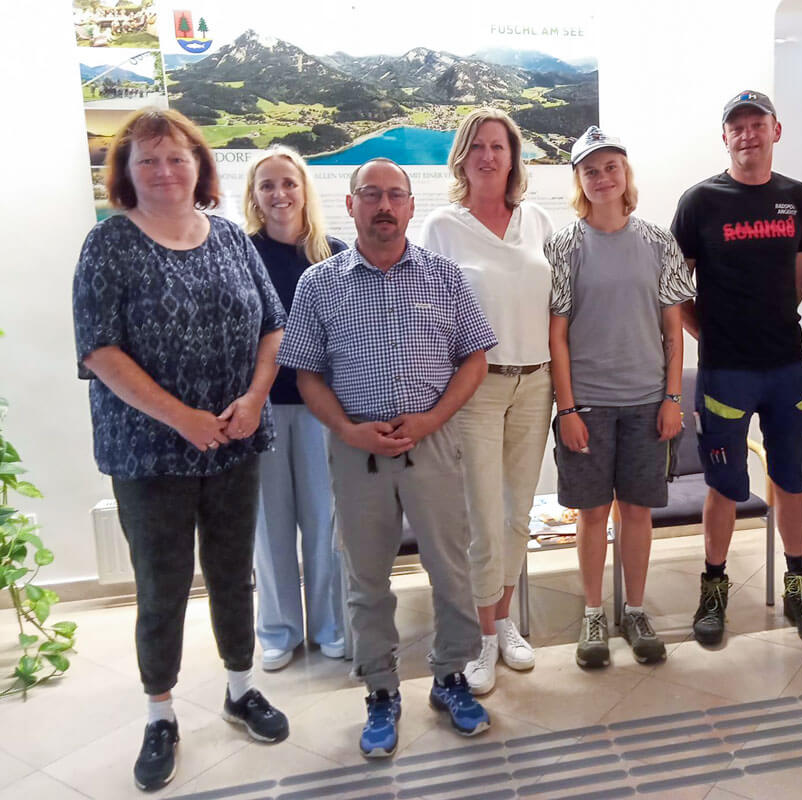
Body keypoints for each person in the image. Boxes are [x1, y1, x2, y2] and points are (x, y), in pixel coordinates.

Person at [71, 108, 290, 793]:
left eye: (176, 158)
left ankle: (240, 688)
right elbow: (99, 351)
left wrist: (253, 399)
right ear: (126, 173)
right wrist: (181, 418)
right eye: (148, 160)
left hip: (234, 440)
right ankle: (159, 714)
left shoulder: (229, 237)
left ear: (199, 165)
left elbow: (273, 326)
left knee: (234, 571)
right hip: (147, 453)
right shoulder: (108, 244)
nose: (164, 171)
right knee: (162, 586)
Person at [277, 157, 496, 757]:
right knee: (367, 578)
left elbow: (475, 358)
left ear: (410, 206)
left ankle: (451, 677)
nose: (383, 206)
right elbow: (306, 373)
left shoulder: (444, 277)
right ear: (349, 205)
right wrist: (348, 431)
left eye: (395, 195)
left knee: (451, 571)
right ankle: (380, 688)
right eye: (370, 194)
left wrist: (432, 419)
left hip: (433, 444)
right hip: (359, 455)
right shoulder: (318, 283)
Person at [671, 90, 802, 646]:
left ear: (775, 131)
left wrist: (771, 323)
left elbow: (798, 280)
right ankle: (714, 589)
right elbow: (674, 288)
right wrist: (709, 333)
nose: (747, 134)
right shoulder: (700, 202)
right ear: (725, 137)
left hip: (786, 367)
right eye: (736, 127)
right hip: (725, 371)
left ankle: (798, 584)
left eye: (757, 124)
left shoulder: (797, 198)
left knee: (791, 479)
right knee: (724, 484)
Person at [546, 127, 695, 668]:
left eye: (611, 166)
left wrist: (672, 398)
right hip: (587, 405)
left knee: (637, 512)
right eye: (591, 170)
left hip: (646, 402)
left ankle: (634, 609)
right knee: (591, 514)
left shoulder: (658, 242)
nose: (602, 177)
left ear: (625, 173)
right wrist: (566, 408)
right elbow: (557, 337)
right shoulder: (563, 246)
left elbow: (673, 331)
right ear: (579, 181)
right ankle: (593, 613)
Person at [420, 109, 553, 695]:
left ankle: (505, 620)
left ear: (513, 156)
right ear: (461, 157)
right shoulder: (441, 227)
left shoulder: (538, 220)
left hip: (537, 383)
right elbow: (425, 316)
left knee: (517, 513)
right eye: (477, 146)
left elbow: (559, 307)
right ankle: (481, 637)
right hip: (475, 386)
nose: (488, 156)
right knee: (481, 517)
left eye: (498, 146)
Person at [242, 146, 347, 671]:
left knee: (325, 524)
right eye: (267, 185)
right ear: (254, 196)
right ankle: (278, 631)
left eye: (288, 183)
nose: (279, 194)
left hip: (321, 408)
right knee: (270, 527)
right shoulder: (240, 254)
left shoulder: (335, 254)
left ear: (305, 189)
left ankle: (331, 627)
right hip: (260, 409)